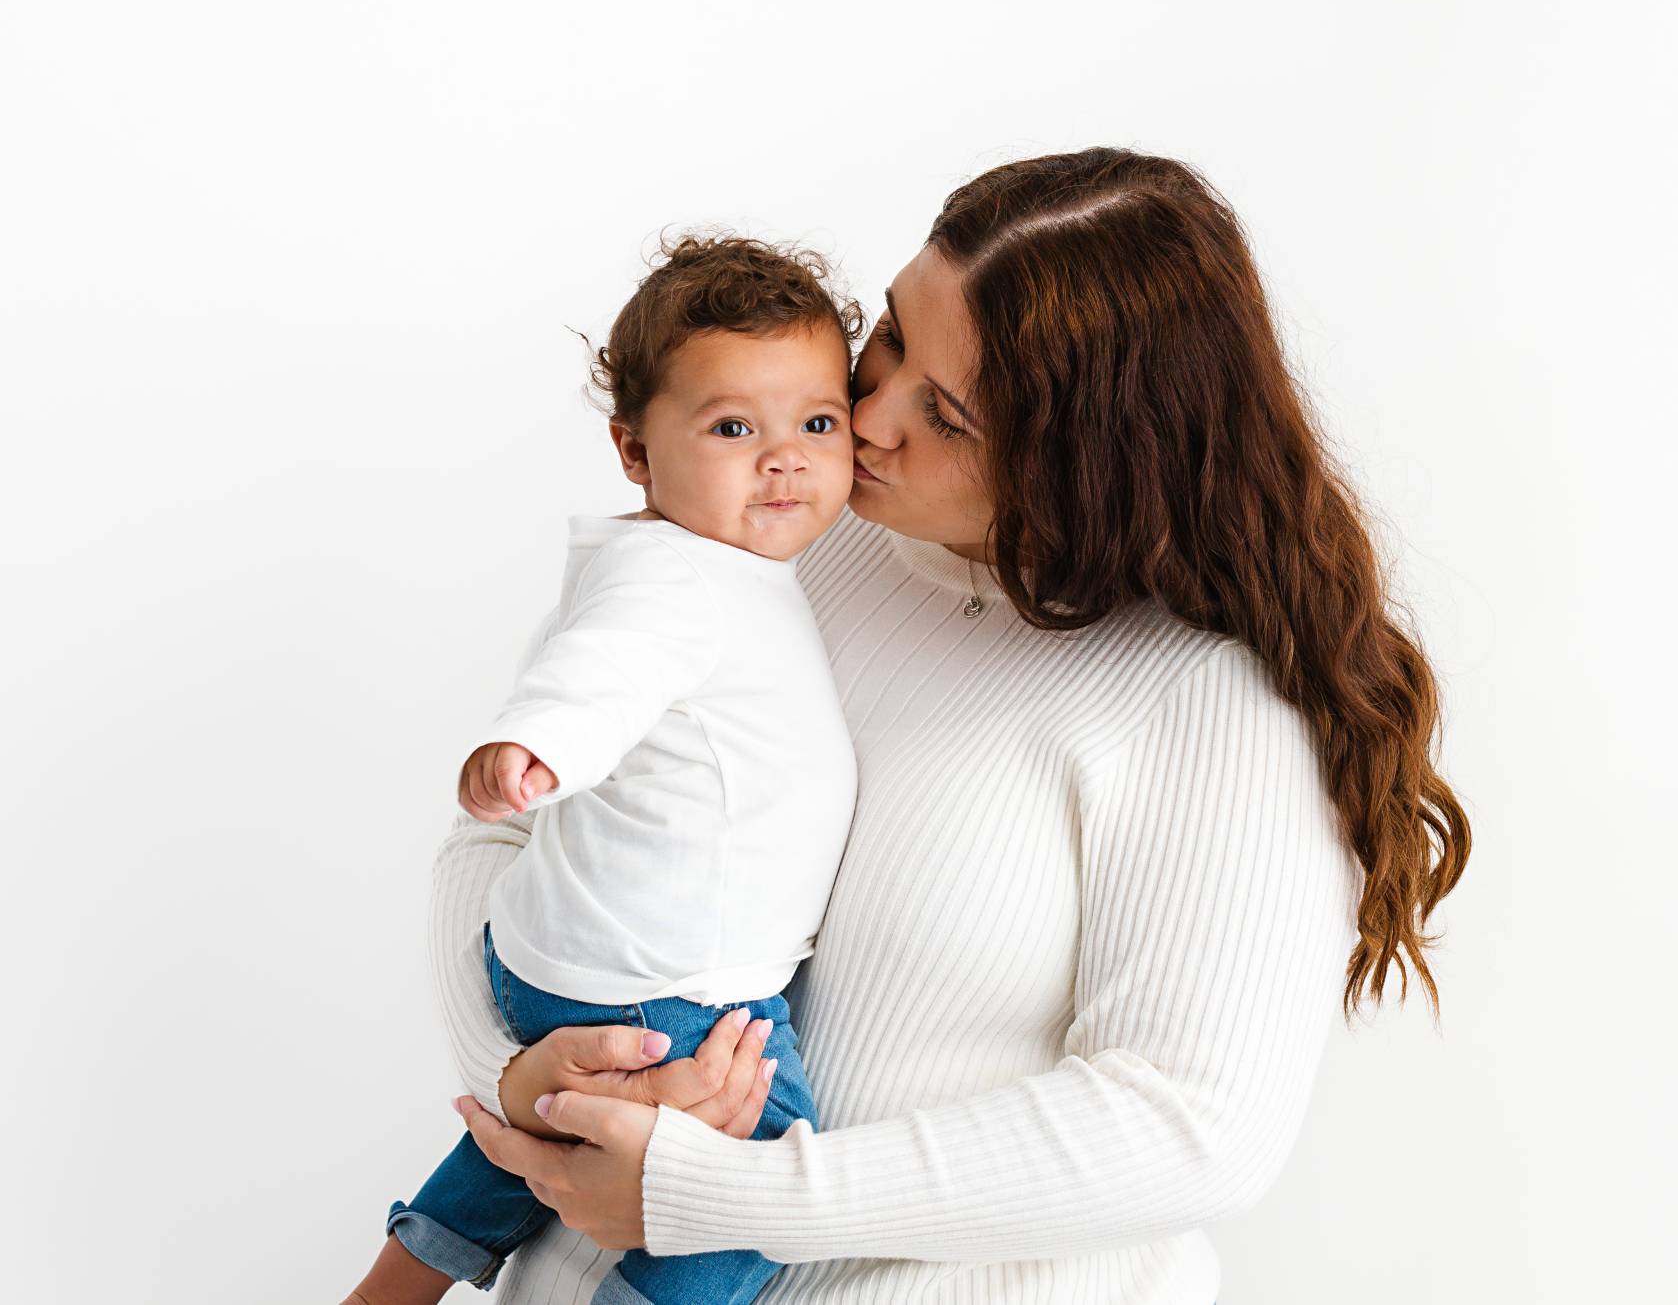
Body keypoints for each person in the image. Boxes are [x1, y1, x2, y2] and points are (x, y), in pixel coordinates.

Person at [364, 146, 1473, 1305]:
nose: (865, 417)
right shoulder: (771, 543)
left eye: (945, 411)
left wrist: (716, 1196)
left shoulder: (1204, 701)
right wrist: (531, 1083)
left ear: (1088, 461)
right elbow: (501, 842)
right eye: (888, 336)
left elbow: (1188, 1126)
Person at [350, 236, 866, 1305]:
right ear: (635, 452)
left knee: (530, 1146)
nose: (784, 459)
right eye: (733, 428)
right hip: (660, 976)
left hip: (584, 953)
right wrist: (537, 746)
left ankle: (396, 1282)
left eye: (816, 423)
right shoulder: (677, 578)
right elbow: (600, 670)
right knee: (754, 1194)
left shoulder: (717, 561)